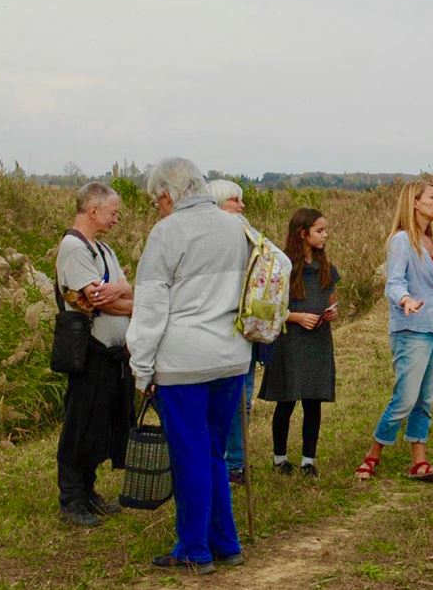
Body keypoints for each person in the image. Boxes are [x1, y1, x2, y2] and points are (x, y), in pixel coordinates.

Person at [127, 158, 253, 574]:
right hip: (232, 357)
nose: (156, 207)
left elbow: (149, 307)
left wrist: (141, 368)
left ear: (167, 194)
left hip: (183, 361)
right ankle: (226, 542)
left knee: (190, 455)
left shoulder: (167, 232)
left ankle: (194, 549)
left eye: (154, 200)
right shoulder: (237, 226)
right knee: (214, 451)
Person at [355, 181, 433, 482]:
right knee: (405, 396)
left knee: (426, 397)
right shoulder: (402, 240)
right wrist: (405, 299)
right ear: (414, 203)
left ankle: (419, 459)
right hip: (411, 327)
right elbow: (394, 282)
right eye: (432, 197)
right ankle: (374, 452)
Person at [55, 181, 134, 527]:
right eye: (113, 212)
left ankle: (89, 491)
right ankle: (72, 498)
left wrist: (123, 292)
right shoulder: (74, 248)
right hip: (90, 352)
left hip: (112, 354)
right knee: (80, 423)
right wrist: (128, 297)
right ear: (93, 210)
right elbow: (95, 300)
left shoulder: (102, 250)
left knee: (100, 424)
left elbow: (121, 293)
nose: (116, 219)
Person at [258, 208, 339, 478]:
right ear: (303, 234)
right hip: (290, 342)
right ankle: (279, 458)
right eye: (319, 230)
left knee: (313, 401)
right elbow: (269, 307)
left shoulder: (326, 268)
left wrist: (331, 313)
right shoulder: (282, 267)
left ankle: (308, 460)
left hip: (318, 340)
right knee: (286, 400)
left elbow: (329, 299)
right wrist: (295, 316)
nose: (325, 235)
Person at [207, 179, 255, 484]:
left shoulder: (248, 235)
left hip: (245, 330)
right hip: (215, 334)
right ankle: (220, 462)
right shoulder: (208, 241)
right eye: (234, 200)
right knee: (223, 400)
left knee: (243, 399)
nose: (241, 206)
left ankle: (237, 462)